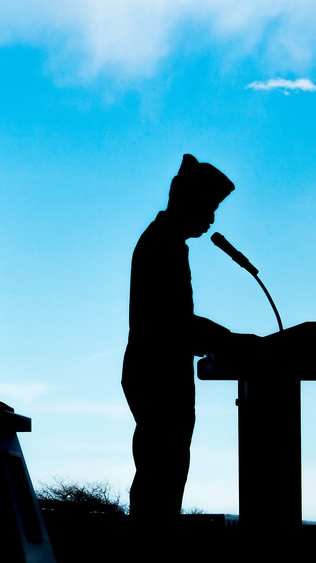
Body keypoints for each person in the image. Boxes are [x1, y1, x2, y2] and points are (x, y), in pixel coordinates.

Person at [122, 153, 255, 518]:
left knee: (163, 471)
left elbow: (178, 321)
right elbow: (173, 321)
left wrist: (225, 340)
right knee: (161, 473)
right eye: (208, 207)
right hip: (157, 372)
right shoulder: (161, 244)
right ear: (187, 202)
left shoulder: (165, 241)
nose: (211, 219)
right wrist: (232, 342)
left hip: (158, 370)